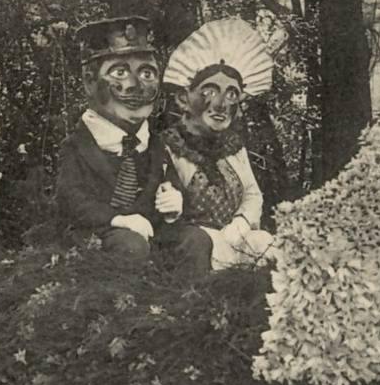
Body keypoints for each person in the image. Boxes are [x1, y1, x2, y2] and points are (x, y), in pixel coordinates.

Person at [54, 15, 211, 274]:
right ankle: (126, 311)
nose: (137, 86)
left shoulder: (154, 144)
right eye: (120, 72)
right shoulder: (77, 146)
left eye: (147, 73)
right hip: (98, 235)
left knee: (195, 240)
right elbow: (71, 198)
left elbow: (169, 182)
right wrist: (117, 219)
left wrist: (175, 200)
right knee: (130, 246)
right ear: (90, 81)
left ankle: (188, 307)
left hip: (150, 232)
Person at [162, 19, 277, 269]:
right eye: (210, 91)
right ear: (183, 99)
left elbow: (252, 194)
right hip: (193, 245)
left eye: (232, 94)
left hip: (234, 237)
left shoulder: (234, 148)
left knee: (266, 245)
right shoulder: (168, 147)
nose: (221, 105)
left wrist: (241, 224)